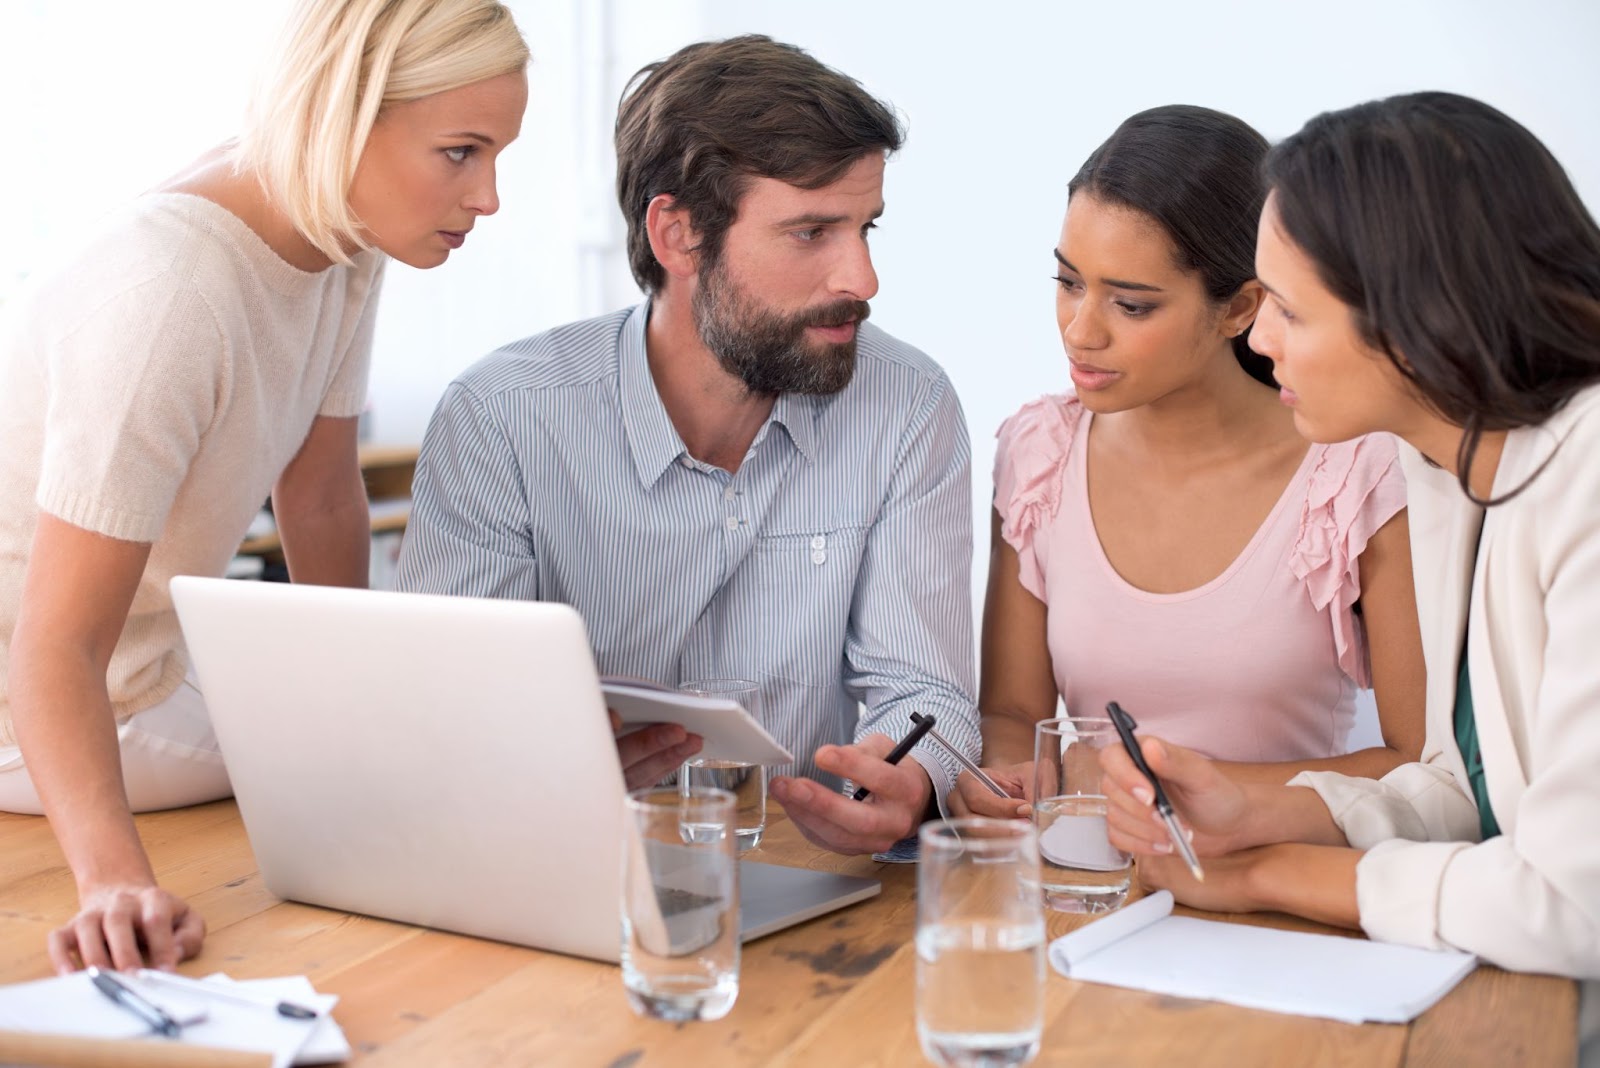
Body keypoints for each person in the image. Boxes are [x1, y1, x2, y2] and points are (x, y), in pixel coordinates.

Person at [0, 0, 529, 974]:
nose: (488, 196)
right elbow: (53, 644)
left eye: (496, 154)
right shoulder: (167, 296)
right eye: (460, 152)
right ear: (344, 116)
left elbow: (321, 491)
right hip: (41, 704)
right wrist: (113, 880)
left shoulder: (342, 235)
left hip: (139, 664)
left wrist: (357, 695)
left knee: (428, 727)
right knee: (448, 760)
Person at [1100, 92, 1600, 1062]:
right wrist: (1260, 812)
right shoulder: (1448, 458)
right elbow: (1472, 786)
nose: (1258, 341)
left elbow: (1573, 900)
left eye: (1287, 310)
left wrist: (1265, 876)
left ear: (1417, 316)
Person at [396, 34, 980, 856]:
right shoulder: (501, 420)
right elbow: (445, 716)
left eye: (866, 227)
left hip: (811, 873)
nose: (863, 278)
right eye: (812, 233)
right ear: (677, 235)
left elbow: (926, 695)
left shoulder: (909, 405)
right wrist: (536, 764)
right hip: (561, 863)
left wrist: (907, 782)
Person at [954, 106, 1425, 819]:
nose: (1081, 332)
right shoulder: (1039, 456)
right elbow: (1014, 715)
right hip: (1089, 890)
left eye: (1133, 306)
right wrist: (1012, 779)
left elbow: (1418, 764)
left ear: (1240, 308)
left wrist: (1198, 790)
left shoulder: (1355, 477)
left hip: (1284, 901)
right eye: (1069, 282)